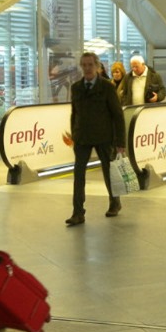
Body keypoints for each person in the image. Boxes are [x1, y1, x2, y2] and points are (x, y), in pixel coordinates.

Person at [66, 52, 127, 225]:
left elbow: (117, 115)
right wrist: (74, 134)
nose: (87, 68)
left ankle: (115, 202)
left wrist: (120, 142)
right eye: (84, 65)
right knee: (79, 175)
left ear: (97, 66)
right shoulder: (76, 87)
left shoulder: (107, 87)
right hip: (82, 138)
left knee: (108, 172)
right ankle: (78, 212)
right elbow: (74, 113)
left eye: (90, 65)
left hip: (104, 137)